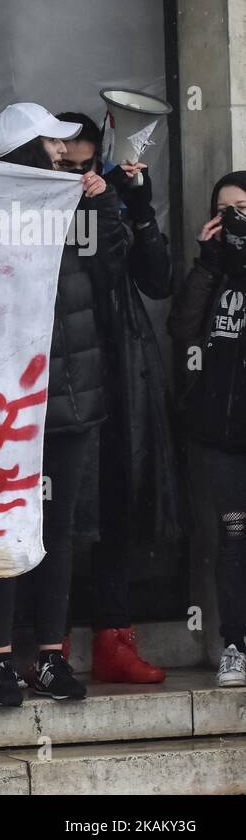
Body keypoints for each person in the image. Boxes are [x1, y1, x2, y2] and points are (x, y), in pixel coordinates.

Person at [0, 102, 128, 706]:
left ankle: (49, 656)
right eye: (53, 146)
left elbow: (114, 272)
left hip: (69, 401)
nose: (66, 154)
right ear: (24, 153)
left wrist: (102, 207)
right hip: (3, 409)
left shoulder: (76, 209)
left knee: (56, 533)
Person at [57, 111, 174, 684]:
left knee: (120, 496)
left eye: (87, 156)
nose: (78, 168)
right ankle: (46, 640)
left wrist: (139, 206)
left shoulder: (116, 198)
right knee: (58, 506)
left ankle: (114, 634)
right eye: (65, 157)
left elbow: (158, 281)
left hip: (119, 363)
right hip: (62, 365)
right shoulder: (35, 200)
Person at [168, 171, 246, 688]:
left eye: (244, 208)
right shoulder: (212, 270)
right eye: (226, 210)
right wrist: (210, 260)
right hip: (220, 436)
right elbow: (182, 327)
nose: (235, 219)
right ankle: (235, 645)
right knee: (233, 537)